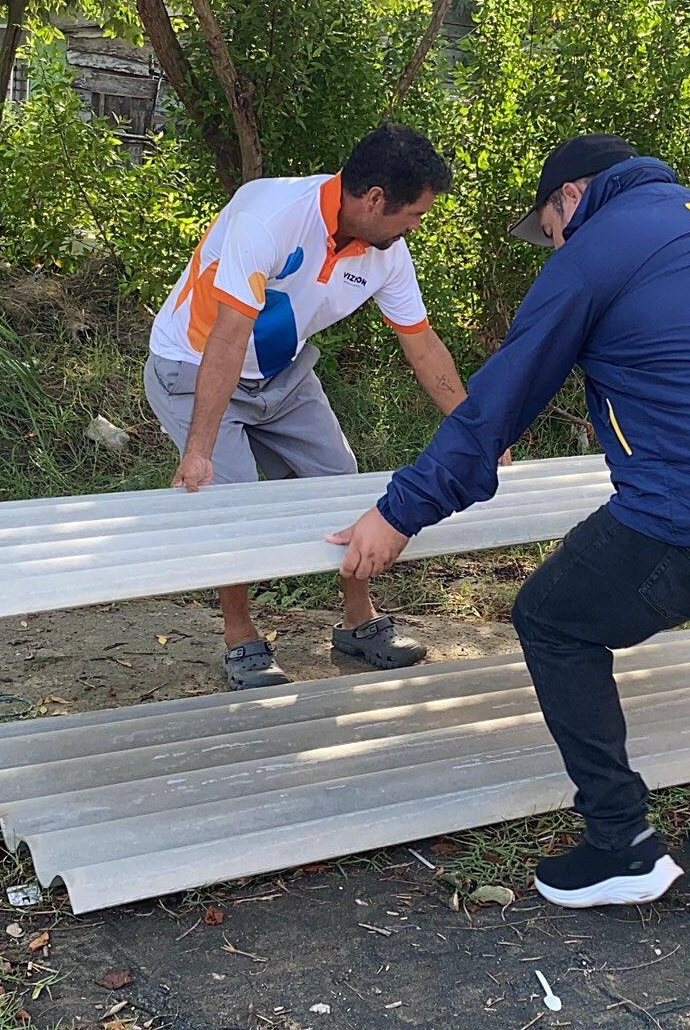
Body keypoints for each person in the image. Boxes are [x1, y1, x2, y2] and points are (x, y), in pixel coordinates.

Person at [329, 135, 690, 908]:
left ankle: (620, 842)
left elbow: (497, 405)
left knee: (554, 619)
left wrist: (398, 514)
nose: (553, 243)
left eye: (549, 227)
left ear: (571, 198)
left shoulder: (595, 250)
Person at [145, 123, 485, 690]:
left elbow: (423, 345)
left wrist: (480, 432)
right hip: (195, 365)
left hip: (282, 373)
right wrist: (199, 450)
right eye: (415, 213)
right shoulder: (272, 216)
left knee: (343, 486)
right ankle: (241, 638)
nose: (416, 226)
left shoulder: (386, 253)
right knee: (231, 504)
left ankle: (358, 622)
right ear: (375, 199)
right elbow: (228, 337)